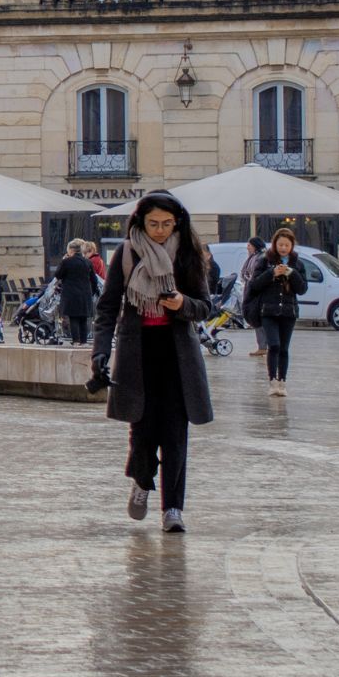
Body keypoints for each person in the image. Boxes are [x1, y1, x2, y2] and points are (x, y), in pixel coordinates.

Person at [90, 193, 213, 533]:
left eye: (167, 224)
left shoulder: (187, 255)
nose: (160, 231)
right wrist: (99, 352)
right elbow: (107, 308)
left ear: (178, 223)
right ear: (141, 223)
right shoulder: (127, 253)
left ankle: (173, 508)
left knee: (175, 434)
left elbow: (205, 306)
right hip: (137, 353)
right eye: (153, 224)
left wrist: (181, 304)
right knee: (142, 432)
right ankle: (142, 480)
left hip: (178, 356)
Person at [244, 227, 307, 397]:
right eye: (280, 244)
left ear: (292, 245)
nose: (283, 248)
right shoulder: (264, 261)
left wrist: (292, 274)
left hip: (288, 311)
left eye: (287, 245)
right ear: (274, 244)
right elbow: (255, 284)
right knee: (274, 345)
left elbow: (302, 289)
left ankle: (282, 381)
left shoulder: (298, 264)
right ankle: (272, 381)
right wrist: (272, 273)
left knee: (284, 349)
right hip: (268, 310)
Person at [50, 240, 98, 344]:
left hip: (71, 295)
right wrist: (92, 293)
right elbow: (94, 280)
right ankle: (84, 342)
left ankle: (76, 341)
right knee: (83, 319)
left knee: (74, 318)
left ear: (71, 250)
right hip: (85, 295)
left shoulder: (66, 262)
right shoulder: (88, 262)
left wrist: (63, 261)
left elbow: (58, 275)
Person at [237, 237, 268, 358]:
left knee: (259, 318)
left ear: (255, 245)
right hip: (250, 290)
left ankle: (264, 346)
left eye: (249, 245)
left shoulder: (261, 258)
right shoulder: (252, 257)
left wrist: (251, 280)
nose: (247, 247)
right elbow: (245, 272)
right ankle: (262, 346)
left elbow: (257, 275)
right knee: (255, 318)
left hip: (257, 292)